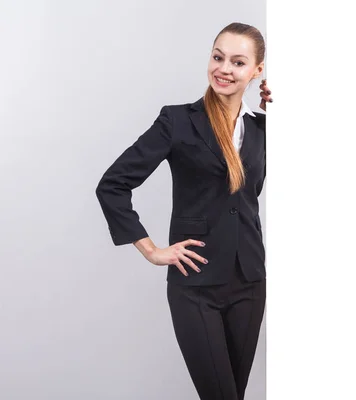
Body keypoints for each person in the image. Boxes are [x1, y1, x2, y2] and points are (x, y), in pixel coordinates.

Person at [95, 22, 272, 400]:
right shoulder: (177, 121)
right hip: (195, 286)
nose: (224, 69)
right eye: (218, 57)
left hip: (250, 282)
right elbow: (112, 185)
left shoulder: (263, 129)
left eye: (238, 62)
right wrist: (152, 250)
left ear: (257, 71)